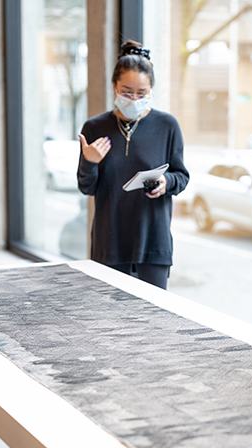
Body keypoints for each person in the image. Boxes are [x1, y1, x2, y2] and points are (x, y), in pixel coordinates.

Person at [77, 40, 189, 290]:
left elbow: (181, 176)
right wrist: (90, 162)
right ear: (114, 86)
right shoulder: (94, 128)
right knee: (111, 321)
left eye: (142, 94)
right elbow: (87, 187)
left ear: (151, 90)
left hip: (153, 240)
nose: (134, 99)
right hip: (111, 240)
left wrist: (165, 182)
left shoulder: (167, 126)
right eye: (127, 92)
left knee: (153, 320)